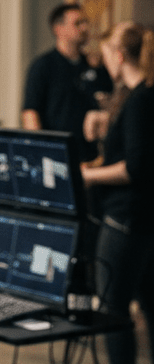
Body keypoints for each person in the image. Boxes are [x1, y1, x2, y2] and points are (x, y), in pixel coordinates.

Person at [79, 22, 154, 364]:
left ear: (119, 55)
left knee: (113, 309)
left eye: (107, 51)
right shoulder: (141, 97)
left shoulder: (139, 101)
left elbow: (134, 167)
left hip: (124, 218)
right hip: (141, 217)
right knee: (149, 302)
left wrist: (90, 176)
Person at [22, 3, 112, 163]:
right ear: (58, 29)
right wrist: (40, 151)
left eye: (85, 22)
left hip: (91, 156)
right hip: (56, 153)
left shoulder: (95, 66)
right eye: (78, 23)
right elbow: (30, 112)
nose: (84, 28)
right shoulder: (43, 66)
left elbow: (110, 103)